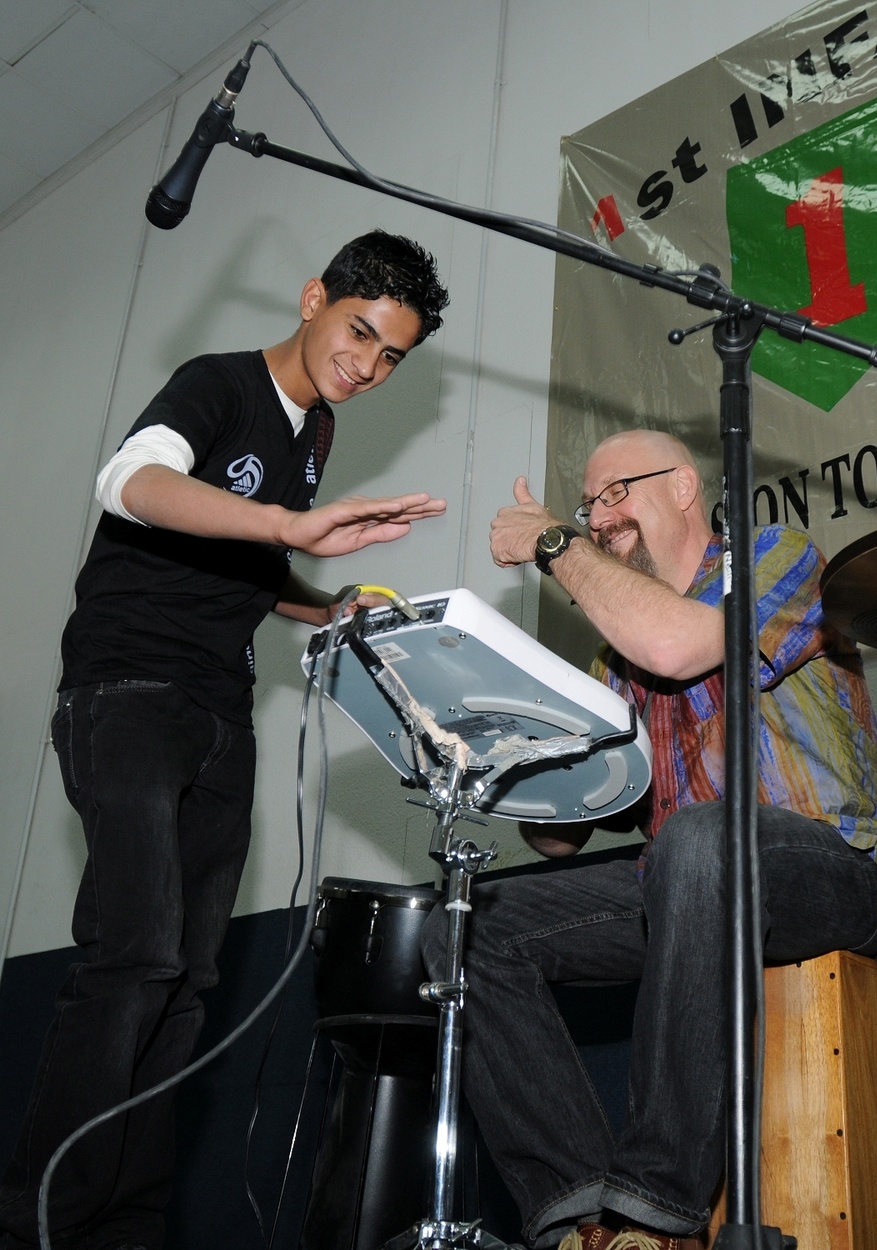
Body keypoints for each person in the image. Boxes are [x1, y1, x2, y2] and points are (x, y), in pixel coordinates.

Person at [0, 230, 450, 1250]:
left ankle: (128, 1224)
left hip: (218, 704)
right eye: (359, 331)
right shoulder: (216, 383)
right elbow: (131, 484)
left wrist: (320, 606)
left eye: (390, 356)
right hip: (127, 688)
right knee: (134, 953)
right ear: (313, 299)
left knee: (191, 978)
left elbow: (241, 560)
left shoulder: (316, 432)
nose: (366, 365)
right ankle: (37, 1220)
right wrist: (289, 527)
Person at [421, 428, 877, 1250]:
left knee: (698, 839)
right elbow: (562, 841)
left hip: (836, 869)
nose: (601, 520)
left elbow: (679, 645)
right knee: (464, 928)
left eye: (618, 495)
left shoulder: (776, 557)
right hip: (689, 881)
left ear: (685, 488)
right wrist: (475, 732)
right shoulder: (615, 658)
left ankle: (656, 1211)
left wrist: (555, 540)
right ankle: (578, 1216)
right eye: (590, 506)